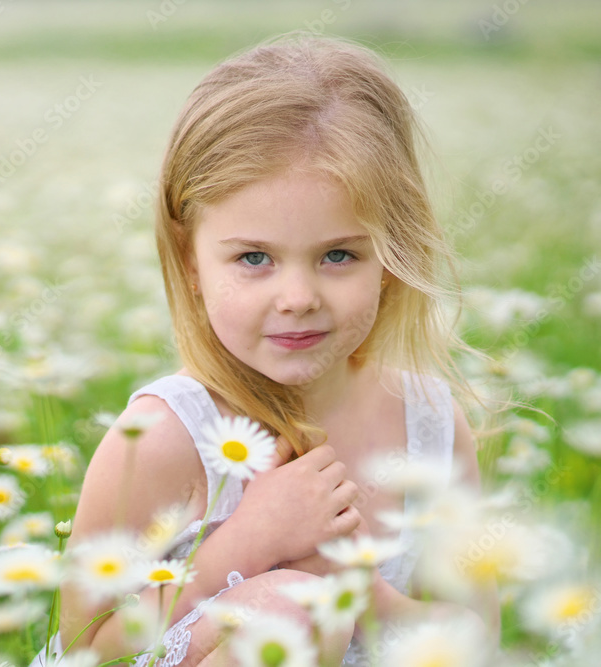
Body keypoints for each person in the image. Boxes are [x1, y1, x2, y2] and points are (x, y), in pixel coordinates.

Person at [33, 32, 498, 666]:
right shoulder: (166, 438)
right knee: (286, 612)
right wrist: (245, 544)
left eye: (339, 255)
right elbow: (83, 650)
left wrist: (361, 595)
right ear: (191, 258)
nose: (298, 297)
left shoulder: (430, 423)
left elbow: (478, 639)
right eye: (254, 258)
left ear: (390, 255)